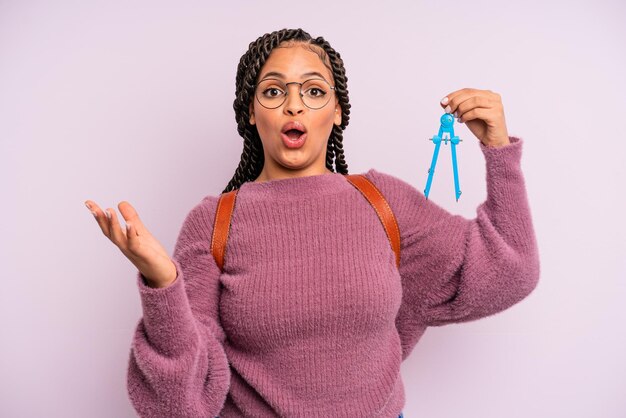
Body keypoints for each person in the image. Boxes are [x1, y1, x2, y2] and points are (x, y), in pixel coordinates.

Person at [85, 28, 540, 418]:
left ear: (337, 111)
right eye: (273, 91)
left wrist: (499, 151)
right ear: (251, 112)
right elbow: (179, 403)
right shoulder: (213, 222)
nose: (294, 107)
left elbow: (509, 272)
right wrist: (162, 284)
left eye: (314, 91)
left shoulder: (382, 202)